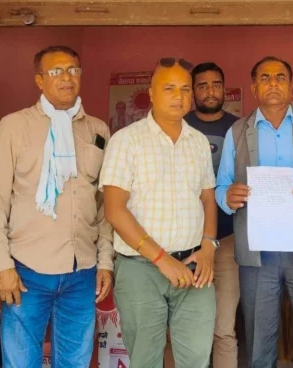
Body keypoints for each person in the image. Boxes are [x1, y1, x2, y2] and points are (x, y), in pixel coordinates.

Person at [0, 45, 114, 366]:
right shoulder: (14, 127)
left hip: (82, 270)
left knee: (75, 361)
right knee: (21, 361)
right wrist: (0, 265)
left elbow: (104, 205)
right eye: (56, 71)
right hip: (25, 269)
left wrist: (105, 262)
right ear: (39, 80)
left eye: (73, 70)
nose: (66, 77)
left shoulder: (97, 130)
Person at [216, 56, 293, 368]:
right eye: (265, 78)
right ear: (254, 88)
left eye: (280, 77)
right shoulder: (237, 132)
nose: (273, 83)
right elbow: (221, 186)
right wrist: (227, 197)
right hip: (258, 254)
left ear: (291, 87)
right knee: (259, 345)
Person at [101, 57, 218, 367]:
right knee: (146, 360)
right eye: (169, 88)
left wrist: (208, 247)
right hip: (141, 269)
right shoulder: (126, 140)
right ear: (151, 93)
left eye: (185, 89)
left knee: (196, 359)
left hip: (194, 267)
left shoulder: (199, 142)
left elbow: (208, 199)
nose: (179, 96)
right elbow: (114, 210)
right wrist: (161, 259)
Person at [184, 62, 240, 368]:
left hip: (228, 240)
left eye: (216, 85)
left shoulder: (240, 129)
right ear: (193, 91)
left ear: (224, 89)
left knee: (224, 330)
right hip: (186, 243)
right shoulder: (179, 126)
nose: (210, 91)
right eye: (202, 85)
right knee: (183, 332)